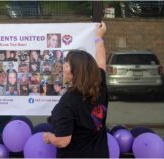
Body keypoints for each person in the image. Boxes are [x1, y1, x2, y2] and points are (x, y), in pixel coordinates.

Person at [43, 22, 108, 158]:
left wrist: (49, 137)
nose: (63, 68)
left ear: (75, 73)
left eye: (66, 65)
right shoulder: (99, 85)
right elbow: (101, 62)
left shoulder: (68, 100)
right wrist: (99, 37)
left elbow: (63, 141)